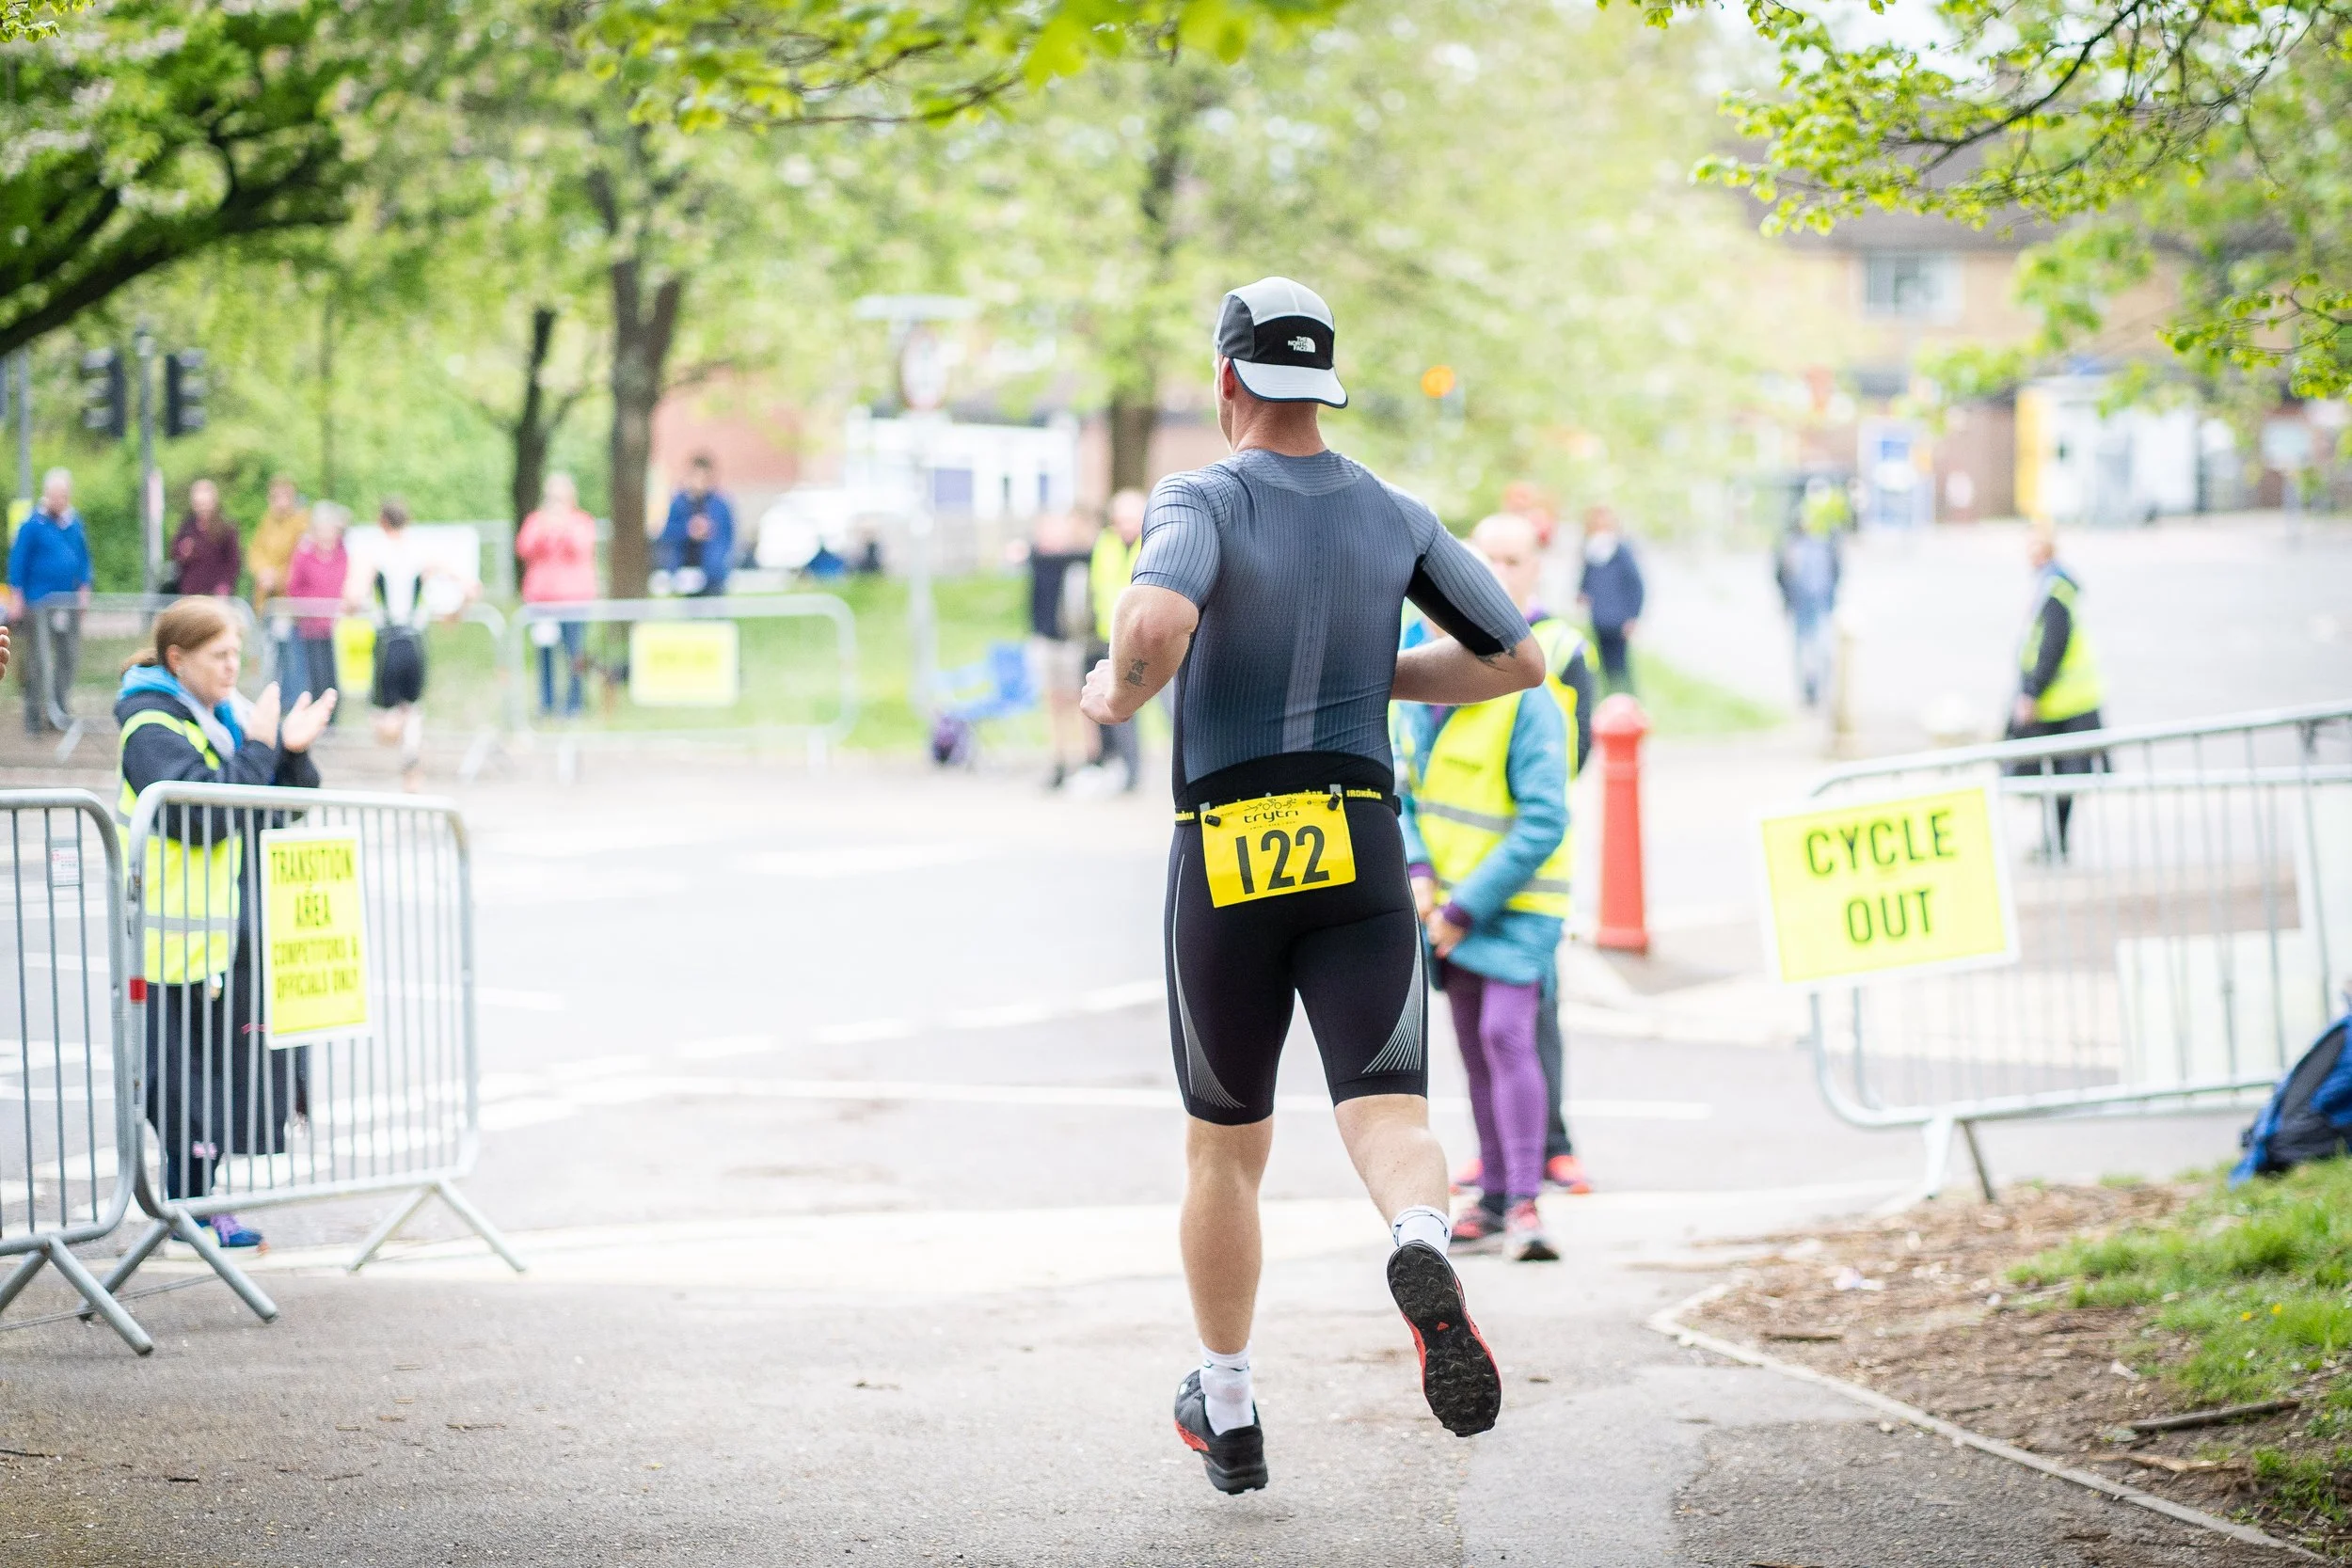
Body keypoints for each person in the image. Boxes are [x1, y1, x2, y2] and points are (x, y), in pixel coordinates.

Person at [1078, 277, 1543, 1493]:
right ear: (1322, 382)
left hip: (1231, 847)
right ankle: (1423, 1239)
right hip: (1361, 839)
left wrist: (1117, 691)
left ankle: (1228, 1406)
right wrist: (1367, 670)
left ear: (1228, 381)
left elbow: (1161, 616)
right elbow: (1517, 657)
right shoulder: (1395, 512)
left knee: (1226, 1147)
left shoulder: (1200, 494)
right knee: (1388, 1113)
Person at [115, 596, 335, 1249]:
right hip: (163, 944)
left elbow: (274, 806)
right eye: (220, 654)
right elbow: (203, 813)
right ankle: (189, 1209)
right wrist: (262, 745)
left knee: (218, 1082)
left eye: (239, 652)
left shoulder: (224, 718)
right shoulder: (148, 725)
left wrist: (289, 754)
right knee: (179, 1090)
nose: (234, 665)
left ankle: (200, 1205)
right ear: (177, 659)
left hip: (216, 941)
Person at [1440, 513, 1597, 1219]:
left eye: (1512, 560)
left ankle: (1535, 1166)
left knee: (1521, 1027)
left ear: (1536, 565)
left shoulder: (1556, 650)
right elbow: (1413, 780)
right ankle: (1502, 1173)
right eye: (1486, 561)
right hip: (1453, 890)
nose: (1499, 574)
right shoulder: (1428, 651)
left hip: (1521, 884)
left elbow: (1564, 776)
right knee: (1484, 1040)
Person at [2007, 526, 2106, 860]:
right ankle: (2054, 844)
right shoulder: (2051, 585)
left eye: (2037, 545)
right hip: (2064, 702)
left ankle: (2056, 845)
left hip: (2064, 703)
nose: (2031, 552)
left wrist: (2031, 693)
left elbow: (2051, 647)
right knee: (2055, 780)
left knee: (2058, 780)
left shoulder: (2054, 591)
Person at [346, 499, 454, 792]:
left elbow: (353, 596)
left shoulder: (373, 553)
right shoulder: (422, 552)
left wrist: (353, 607)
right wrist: (454, 612)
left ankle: (405, 746)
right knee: (414, 709)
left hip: (388, 640)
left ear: (381, 521)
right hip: (416, 640)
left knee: (383, 723)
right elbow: (466, 582)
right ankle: (412, 761)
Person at [8, 467, 93, 735]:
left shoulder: (74, 523)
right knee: (37, 660)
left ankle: (59, 710)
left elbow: (83, 559)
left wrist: (84, 588)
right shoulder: (32, 524)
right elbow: (18, 562)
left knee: (68, 657)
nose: (60, 500)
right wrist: (17, 596)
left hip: (66, 601)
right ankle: (33, 715)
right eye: (55, 495)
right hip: (39, 603)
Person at [515, 471, 598, 719]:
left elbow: (581, 548)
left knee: (575, 654)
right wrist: (544, 530)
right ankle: (546, 702)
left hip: (574, 601)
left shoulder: (582, 521)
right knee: (545, 654)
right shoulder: (536, 521)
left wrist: (563, 528)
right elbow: (524, 549)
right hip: (542, 602)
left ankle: (574, 703)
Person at [1080, 488, 1147, 793]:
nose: (1125, 525)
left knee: (1172, 708)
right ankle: (1131, 773)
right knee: (1121, 705)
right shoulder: (1105, 543)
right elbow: (1099, 587)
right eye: (1120, 519)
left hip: (1147, 637)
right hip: (1114, 640)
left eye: (1131, 519)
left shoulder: (1153, 541)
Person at [1025, 510, 1095, 789]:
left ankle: (1086, 758)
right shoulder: (1038, 559)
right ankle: (1059, 759)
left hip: (1070, 643)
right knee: (1053, 703)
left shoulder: (1075, 561)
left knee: (1079, 701)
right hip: (1045, 641)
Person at [1775, 482, 1845, 708]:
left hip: (1821, 603)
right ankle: (1808, 692)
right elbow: (1780, 574)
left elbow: (1837, 571)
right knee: (1804, 650)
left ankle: (1821, 692)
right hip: (1801, 605)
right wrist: (1786, 600)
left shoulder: (1826, 543)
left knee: (1824, 649)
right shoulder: (1790, 545)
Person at [283, 501, 350, 717]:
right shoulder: (305, 554)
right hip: (310, 624)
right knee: (313, 674)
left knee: (332, 675)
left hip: (334, 624)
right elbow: (294, 586)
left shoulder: (342, 553)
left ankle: (333, 718)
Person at [1576, 504, 1644, 696]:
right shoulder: (1590, 552)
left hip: (1619, 620)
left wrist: (1633, 616)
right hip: (1599, 618)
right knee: (1603, 666)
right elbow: (1585, 581)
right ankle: (1611, 702)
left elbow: (1636, 585)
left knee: (1621, 666)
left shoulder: (1622, 551)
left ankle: (1630, 703)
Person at [658, 453, 735, 597]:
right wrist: (688, 530)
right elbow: (667, 534)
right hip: (684, 571)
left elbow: (726, 537)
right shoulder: (679, 503)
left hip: (712, 574)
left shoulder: (720, 505)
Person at [169, 479, 244, 598]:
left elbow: (233, 562)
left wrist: (225, 586)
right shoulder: (187, 527)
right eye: (199, 504)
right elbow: (175, 554)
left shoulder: (226, 528)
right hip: (190, 592)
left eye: (205, 504)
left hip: (217, 594)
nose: (202, 509)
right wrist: (183, 552)